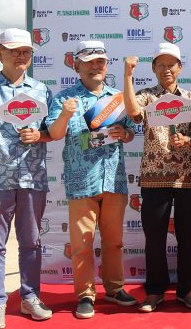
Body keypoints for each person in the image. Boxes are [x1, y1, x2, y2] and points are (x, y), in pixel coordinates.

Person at [0, 29, 54, 329]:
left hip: (32, 176)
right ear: (0, 52)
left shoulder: (41, 90)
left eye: (26, 51)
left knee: (31, 242)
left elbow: (52, 131)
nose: (21, 56)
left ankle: (30, 297)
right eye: (15, 50)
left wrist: (39, 135)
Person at [46, 41, 138, 318]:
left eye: (100, 61)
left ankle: (114, 288)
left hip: (113, 180)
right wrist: (65, 114)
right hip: (81, 182)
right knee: (81, 245)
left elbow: (131, 132)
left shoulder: (118, 97)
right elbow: (55, 134)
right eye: (89, 62)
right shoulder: (64, 98)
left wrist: (124, 134)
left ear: (107, 66)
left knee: (114, 242)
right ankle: (85, 295)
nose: (96, 66)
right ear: (77, 66)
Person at [122, 43, 191, 311]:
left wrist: (189, 140)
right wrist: (128, 76)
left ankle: (186, 290)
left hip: (187, 177)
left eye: (171, 64)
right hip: (154, 177)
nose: (166, 69)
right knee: (155, 238)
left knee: (187, 237)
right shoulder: (147, 96)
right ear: (154, 68)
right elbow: (133, 113)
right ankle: (155, 291)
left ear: (180, 67)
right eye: (161, 64)